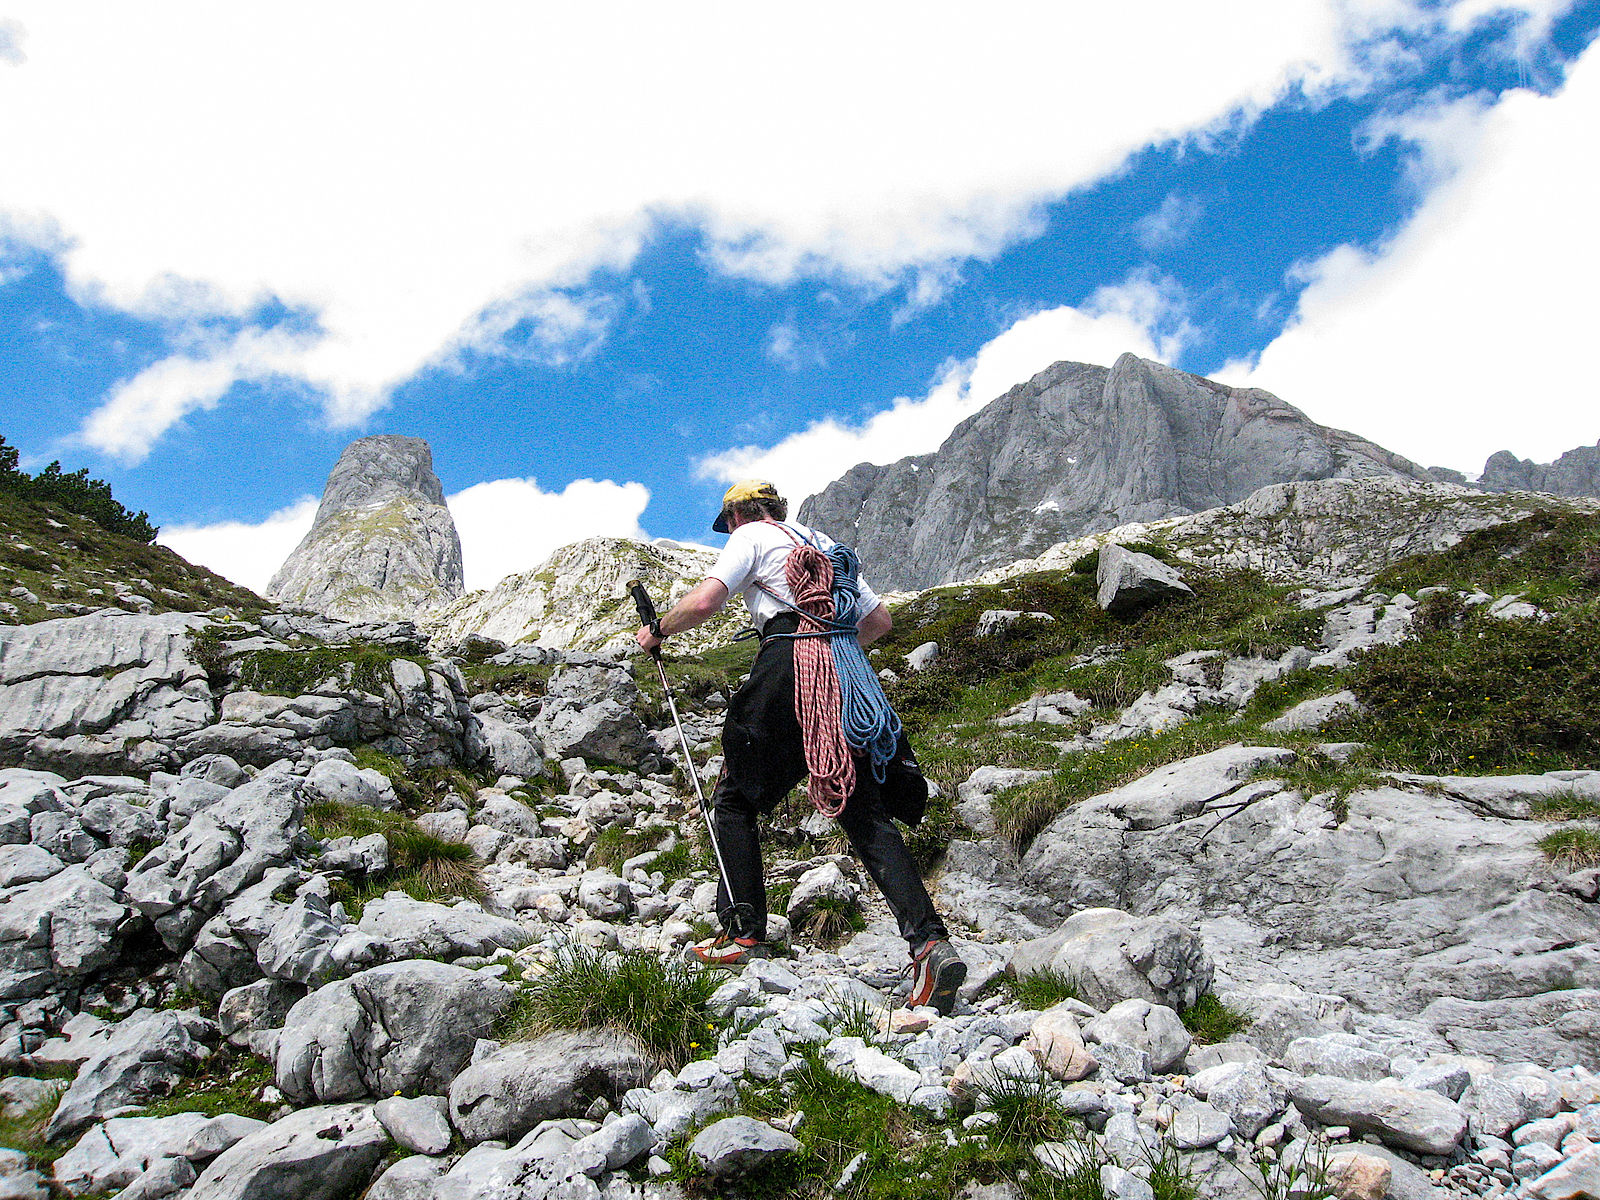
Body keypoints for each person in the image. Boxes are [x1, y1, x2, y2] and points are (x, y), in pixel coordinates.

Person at [635, 479, 967, 1014]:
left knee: (736, 801)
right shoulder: (824, 545)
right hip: (844, 674)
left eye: (730, 523)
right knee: (862, 811)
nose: (730, 531)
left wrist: (658, 630)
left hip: (787, 664)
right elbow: (879, 622)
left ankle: (742, 933)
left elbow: (704, 602)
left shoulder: (753, 538)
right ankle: (929, 944)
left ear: (739, 515)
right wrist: (828, 641)